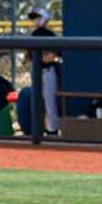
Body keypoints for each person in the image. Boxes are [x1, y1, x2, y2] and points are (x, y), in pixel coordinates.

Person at [26, 7, 61, 135]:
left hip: (48, 72)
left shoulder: (49, 35)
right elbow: (28, 56)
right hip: (37, 72)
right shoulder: (34, 35)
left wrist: (49, 56)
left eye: (38, 17)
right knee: (36, 101)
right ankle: (38, 129)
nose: (35, 20)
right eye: (34, 18)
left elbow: (55, 54)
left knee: (49, 101)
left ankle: (53, 130)